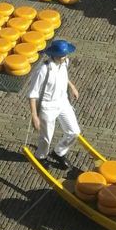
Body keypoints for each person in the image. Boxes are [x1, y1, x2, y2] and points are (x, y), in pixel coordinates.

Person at [27, 38, 80, 168]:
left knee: (74, 131)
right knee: (46, 137)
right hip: (47, 106)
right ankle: (41, 156)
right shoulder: (43, 70)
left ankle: (59, 152)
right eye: (62, 55)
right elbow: (32, 94)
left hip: (63, 102)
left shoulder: (65, 62)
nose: (65, 57)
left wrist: (71, 86)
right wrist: (34, 116)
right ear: (54, 55)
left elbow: (63, 76)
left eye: (65, 54)